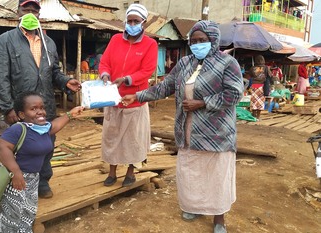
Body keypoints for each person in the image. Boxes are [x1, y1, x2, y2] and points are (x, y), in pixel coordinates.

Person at [122, 20, 243, 233]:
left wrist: (203, 102)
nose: (197, 44)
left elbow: (234, 94)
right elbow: (165, 87)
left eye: (202, 40)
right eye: (193, 41)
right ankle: (195, 207)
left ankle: (219, 218)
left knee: (216, 175)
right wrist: (137, 96)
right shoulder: (185, 63)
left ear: (213, 40)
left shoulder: (227, 63)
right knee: (192, 172)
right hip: (187, 129)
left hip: (216, 132)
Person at [0, 0, 81, 199]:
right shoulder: (5, 40)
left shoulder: (48, 43)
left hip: (44, 106)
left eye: (34, 10)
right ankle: (16, 182)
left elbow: (54, 72)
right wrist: (8, 107)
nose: (30, 13)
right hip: (20, 108)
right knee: (19, 147)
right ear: (18, 12)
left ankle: (42, 182)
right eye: (26, 9)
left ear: (39, 15)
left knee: (46, 144)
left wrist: (66, 82)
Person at [0, 91, 84, 232]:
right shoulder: (18, 129)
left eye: (41, 107)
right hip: (16, 180)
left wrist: (70, 114)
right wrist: (16, 172)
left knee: (27, 213)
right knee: (11, 217)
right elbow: (3, 147)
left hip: (33, 178)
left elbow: (55, 126)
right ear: (22, 115)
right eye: (33, 109)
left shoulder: (42, 128)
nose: (40, 112)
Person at [99, 3, 158, 187]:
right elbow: (105, 62)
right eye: (129, 20)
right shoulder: (116, 39)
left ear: (144, 23)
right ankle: (112, 171)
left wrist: (126, 79)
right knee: (111, 136)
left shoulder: (150, 44)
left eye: (136, 21)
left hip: (135, 100)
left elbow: (147, 71)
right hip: (113, 98)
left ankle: (130, 172)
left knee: (133, 139)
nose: (132, 24)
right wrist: (105, 74)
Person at [249, 55, 271, 120]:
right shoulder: (266, 68)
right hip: (262, 86)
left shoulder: (252, 68)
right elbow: (269, 76)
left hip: (253, 86)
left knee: (254, 101)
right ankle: (258, 116)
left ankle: (253, 115)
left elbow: (250, 76)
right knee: (260, 102)